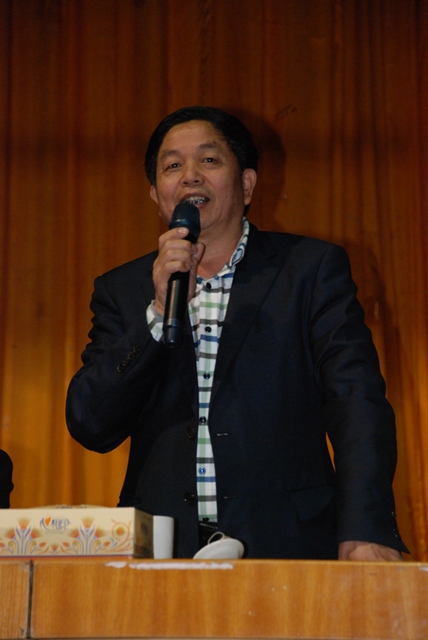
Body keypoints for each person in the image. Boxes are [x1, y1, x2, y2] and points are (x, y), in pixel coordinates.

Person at [66, 106, 408, 560]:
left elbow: (356, 403)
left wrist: (367, 529)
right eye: (172, 165)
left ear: (246, 184)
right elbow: (91, 424)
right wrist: (158, 314)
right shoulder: (123, 289)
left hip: (289, 546)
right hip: (162, 553)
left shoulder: (309, 270)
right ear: (155, 195)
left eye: (209, 160)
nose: (190, 176)